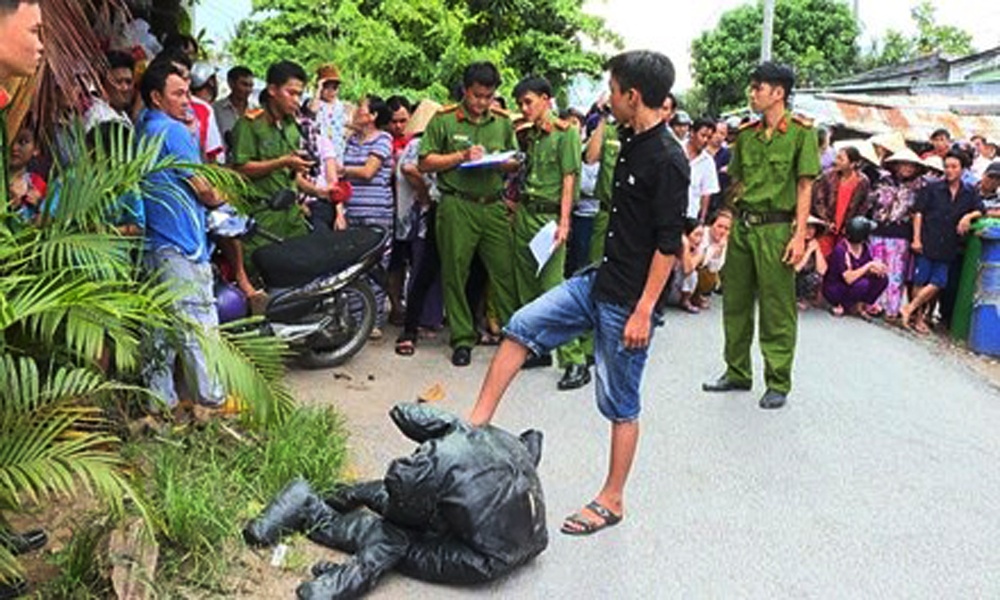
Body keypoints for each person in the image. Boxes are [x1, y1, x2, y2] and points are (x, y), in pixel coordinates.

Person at [467, 50, 688, 536]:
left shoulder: (670, 159)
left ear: (633, 95)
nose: (606, 98)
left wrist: (644, 311)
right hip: (597, 279)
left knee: (620, 402)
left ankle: (612, 498)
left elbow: (668, 244)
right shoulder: (627, 137)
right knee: (521, 326)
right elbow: (591, 163)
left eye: (613, 90)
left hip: (629, 300)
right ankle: (474, 427)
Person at [703, 62, 821, 410]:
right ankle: (737, 371)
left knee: (776, 308)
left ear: (778, 93)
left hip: (777, 228)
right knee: (735, 302)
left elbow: (804, 186)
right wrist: (726, 216)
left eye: (758, 88)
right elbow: (737, 182)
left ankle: (778, 380)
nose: (752, 94)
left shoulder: (802, 133)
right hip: (743, 226)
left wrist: (799, 236)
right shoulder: (747, 134)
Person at [136, 60, 226, 412]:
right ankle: (212, 400)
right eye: (179, 94)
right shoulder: (173, 132)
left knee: (159, 331)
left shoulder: (143, 127)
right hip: (181, 245)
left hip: (155, 243)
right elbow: (202, 187)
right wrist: (222, 196)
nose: (187, 100)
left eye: (188, 92)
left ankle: (158, 404)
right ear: (157, 97)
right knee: (198, 325)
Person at [417, 61, 519, 367]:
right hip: (457, 204)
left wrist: (505, 163)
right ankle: (462, 338)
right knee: (455, 272)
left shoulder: (502, 123)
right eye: (477, 96)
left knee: (504, 272)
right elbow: (424, 161)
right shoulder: (445, 119)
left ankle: (516, 336)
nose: (482, 103)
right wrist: (461, 157)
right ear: (465, 90)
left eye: (488, 96)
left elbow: (515, 160)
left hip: (493, 205)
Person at [510, 75, 589, 391]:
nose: (524, 108)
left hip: (550, 218)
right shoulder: (531, 136)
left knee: (553, 291)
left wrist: (565, 222)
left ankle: (575, 361)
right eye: (520, 104)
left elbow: (569, 178)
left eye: (528, 101)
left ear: (546, 99)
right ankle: (537, 348)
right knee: (526, 285)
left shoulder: (565, 133)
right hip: (527, 212)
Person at [230, 60, 318, 263]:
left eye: (300, 94)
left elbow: (292, 176)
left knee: (302, 272)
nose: (297, 100)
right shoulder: (249, 125)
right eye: (291, 93)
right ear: (272, 90)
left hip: (292, 215)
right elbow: (241, 169)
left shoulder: (291, 127)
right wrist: (281, 162)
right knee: (262, 273)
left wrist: (320, 192)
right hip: (263, 216)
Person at [900, 150, 984, 334]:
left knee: (939, 281)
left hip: (949, 243)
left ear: (962, 169)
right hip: (928, 239)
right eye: (946, 166)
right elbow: (918, 213)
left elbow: (980, 209)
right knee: (920, 280)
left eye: (954, 167)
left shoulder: (969, 192)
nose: (949, 170)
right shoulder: (932, 188)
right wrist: (916, 238)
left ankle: (909, 308)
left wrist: (968, 217)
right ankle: (919, 318)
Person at [337, 94, 395, 336]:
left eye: (360, 108)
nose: (355, 112)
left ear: (372, 116)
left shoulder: (383, 139)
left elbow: (368, 171)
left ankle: (373, 321)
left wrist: (342, 170)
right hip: (353, 210)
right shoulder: (351, 141)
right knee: (352, 267)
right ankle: (355, 320)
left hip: (376, 212)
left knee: (375, 265)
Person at [394, 100, 443, 356]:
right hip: (421, 216)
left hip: (420, 216)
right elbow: (410, 168)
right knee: (424, 268)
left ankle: (426, 318)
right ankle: (425, 319)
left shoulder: (418, 143)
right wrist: (424, 193)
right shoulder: (419, 144)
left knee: (422, 268)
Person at [868, 148, 926, 320]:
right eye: (904, 164)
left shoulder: (919, 186)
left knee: (895, 272)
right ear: (896, 165)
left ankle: (892, 308)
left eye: (911, 166)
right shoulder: (882, 180)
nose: (907, 168)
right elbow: (872, 202)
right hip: (878, 229)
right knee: (876, 267)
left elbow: (917, 211)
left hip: (901, 233)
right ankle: (872, 304)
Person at [811, 145, 871, 257]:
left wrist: (850, 226)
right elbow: (818, 201)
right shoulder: (827, 177)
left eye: (840, 159)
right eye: (837, 157)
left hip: (846, 231)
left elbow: (863, 207)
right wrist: (827, 221)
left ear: (852, 164)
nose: (836, 161)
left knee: (841, 261)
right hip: (827, 228)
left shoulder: (862, 181)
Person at [822, 216, 888, 318]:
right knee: (862, 284)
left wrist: (877, 269)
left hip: (855, 282)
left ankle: (864, 304)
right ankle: (843, 305)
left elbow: (867, 267)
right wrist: (869, 265)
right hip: (836, 287)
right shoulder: (841, 250)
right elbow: (848, 278)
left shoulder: (864, 247)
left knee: (882, 278)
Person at [84, 50, 136, 131]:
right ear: (101, 84)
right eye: (118, 82)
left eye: (128, 82)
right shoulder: (100, 117)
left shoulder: (120, 112)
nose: (125, 88)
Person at [692, 208, 732, 308]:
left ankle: (698, 295)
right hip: (689, 268)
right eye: (719, 226)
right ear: (711, 225)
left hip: (705, 270)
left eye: (726, 228)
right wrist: (713, 249)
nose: (722, 231)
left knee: (711, 278)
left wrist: (719, 250)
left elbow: (715, 268)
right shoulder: (702, 234)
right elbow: (700, 262)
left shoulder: (724, 241)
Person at [684, 117, 720, 223]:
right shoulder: (676, 151)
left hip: (691, 216)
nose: (705, 140)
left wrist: (701, 219)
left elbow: (706, 193)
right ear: (692, 132)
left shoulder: (708, 162)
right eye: (703, 135)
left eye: (709, 137)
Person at [214, 65, 255, 154]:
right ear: (231, 83)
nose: (248, 89)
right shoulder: (216, 110)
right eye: (244, 84)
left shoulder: (256, 111)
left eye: (251, 86)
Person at [795, 216, 828, 310]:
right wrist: (808, 252)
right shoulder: (794, 243)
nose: (809, 231)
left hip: (804, 278)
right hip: (792, 278)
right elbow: (796, 269)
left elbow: (823, 270)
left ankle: (803, 298)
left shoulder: (813, 244)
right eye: (807, 227)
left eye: (812, 227)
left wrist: (817, 250)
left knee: (816, 278)